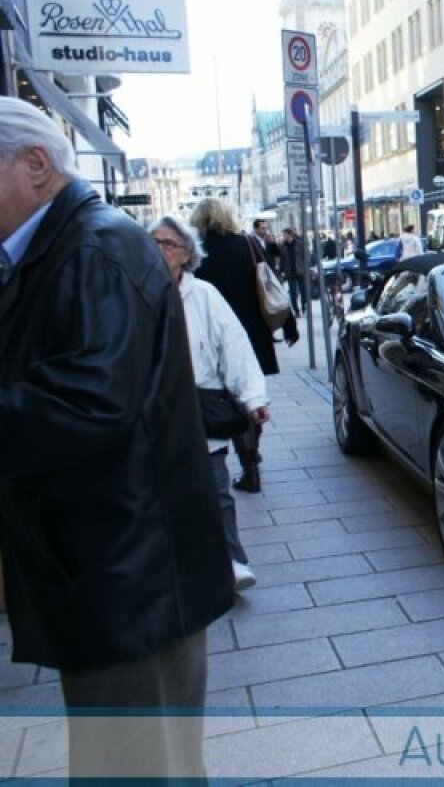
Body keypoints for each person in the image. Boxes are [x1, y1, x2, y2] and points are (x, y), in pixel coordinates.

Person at [0, 95, 232, 777]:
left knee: (132, 766)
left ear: (35, 164)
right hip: (112, 571)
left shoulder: (95, 247)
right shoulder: (65, 246)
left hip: (127, 576)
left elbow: (91, 399)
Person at [150, 216, 269, 591]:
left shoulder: (203, 295)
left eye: (167, 243)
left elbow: (232, 346)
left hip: (199, 405)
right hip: (151, 410)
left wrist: (253, 398)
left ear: (186, 253)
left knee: (216, 492)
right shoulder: (132, 290)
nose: (158, 250)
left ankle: (231, 560)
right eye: (152, 242)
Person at [191, 197, 295, 494]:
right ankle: (251, 458)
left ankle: (241, 464)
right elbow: (270, 283)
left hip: (212, 336)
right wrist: (289, 325)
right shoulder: (247, 244)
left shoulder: (196, 251)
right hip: (252, 332)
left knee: (228, 399)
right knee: (249, 397)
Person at [279, 227, 308, 316]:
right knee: (293, 292)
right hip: (290, 272)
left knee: (303, 290)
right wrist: (281, 271)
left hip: (300, 271)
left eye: (284, 234)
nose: (283, 236)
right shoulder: (283, 246)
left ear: (289, 235)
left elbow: (306, 256)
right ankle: (296, 310)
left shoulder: (299, 244)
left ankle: (304, 305)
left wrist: (305, 267)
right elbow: (282, 260)